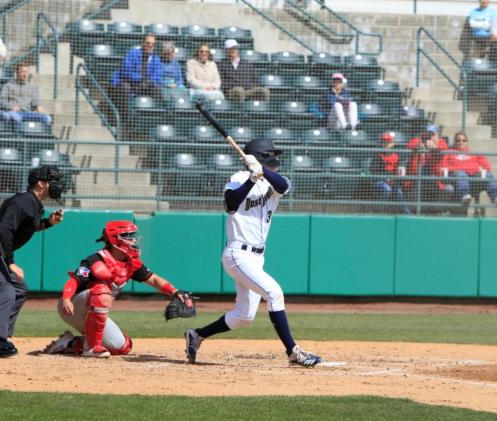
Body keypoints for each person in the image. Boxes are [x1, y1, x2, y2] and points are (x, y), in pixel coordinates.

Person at [185, 138, 321, 367]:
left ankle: (196, 335)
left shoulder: (274, 183)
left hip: (257, 257)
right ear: (260, 156)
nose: (276, 160)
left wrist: (262, 172)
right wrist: (251, 178)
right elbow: (230, 204)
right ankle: (293, 352)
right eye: (271, 156)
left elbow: (284, 186)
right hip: (238, 254)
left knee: (244, 317)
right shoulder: (238, 178)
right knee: (275, 294)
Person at [43, 220, 189, 358]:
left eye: (133, 236)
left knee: (121, 347)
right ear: (114, 239)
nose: (133, 240)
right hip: (72, 307)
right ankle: (91, 348)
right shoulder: (96, 260)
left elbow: (154, 280)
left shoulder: (131, 262)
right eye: (128, 237)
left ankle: (70, 343)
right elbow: (74, 281)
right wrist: (67, 298)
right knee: (101, 290)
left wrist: (174, 292)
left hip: (93, 311)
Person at [0, 165, 65, 357]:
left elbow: (25, 228)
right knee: (6, 289)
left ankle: (1, 337)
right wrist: (10, 262)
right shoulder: (23, 202)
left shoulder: (33, 203)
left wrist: (48, 223)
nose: (58, 185)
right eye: (54, 181)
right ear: (41, 183)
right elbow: (4, 230)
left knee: (18, 289)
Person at [441, 132, 497, 207]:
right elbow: (444, 167)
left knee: (487, 174)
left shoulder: (474, 154)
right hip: (456, 179)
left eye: (464, 140)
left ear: (467, 142)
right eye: (458, 140)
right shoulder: (449, 153)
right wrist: (463, 169)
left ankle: (496, 197)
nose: (461, 142)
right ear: (454, 142)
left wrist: (480, 169)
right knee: (461, 173)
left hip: (473, 179)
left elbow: (487, 167)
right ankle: (464, 196)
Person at [110, 34, 163, 124]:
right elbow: (126, 71)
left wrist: (149, 81)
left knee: (157, 89)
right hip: (129, 82)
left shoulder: (156, 59)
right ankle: (124, 119)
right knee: (125, 87)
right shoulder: (132, 53)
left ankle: (154, 120)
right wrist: (141, 79)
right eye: (148, 43)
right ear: (143, 43)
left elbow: (157, 76)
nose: (150, 46)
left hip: (145, 85)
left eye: (153, 44)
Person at [404, 125, 451, 207]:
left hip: (435, 179)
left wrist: (435, 147)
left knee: (448, 189)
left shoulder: (440, 142)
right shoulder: (418, 140)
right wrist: (418, 145)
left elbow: (444, 149)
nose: (429, 136)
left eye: (432, 134)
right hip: (416, 178)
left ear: (436, 135)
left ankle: (437, 211)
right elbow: (409, 145)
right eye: (428, 133)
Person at [0, 61, 52, 126]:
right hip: (14, 112)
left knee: (47, 118)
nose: (25, 74)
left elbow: (36, 103)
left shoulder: (33, 87)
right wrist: (11, 107)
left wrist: (38, 107)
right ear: (17, 72)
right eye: (22, 72)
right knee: (15, 118)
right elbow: (2, 102)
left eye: (26, 72)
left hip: (28, 113)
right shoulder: (8, 85)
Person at [370, 132, 408, 213]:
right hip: (379, 180)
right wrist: (386, 178)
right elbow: (374, 170)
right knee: (387, 189)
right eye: (383, 141)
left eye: (387, 142)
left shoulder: (396, 155)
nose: (385, 144)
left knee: (399, 192)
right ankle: (378, 211)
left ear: (392, 144)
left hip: (392, 179)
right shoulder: (377, 155)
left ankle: (406, 212)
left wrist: (396, 176)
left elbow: (399, 169)